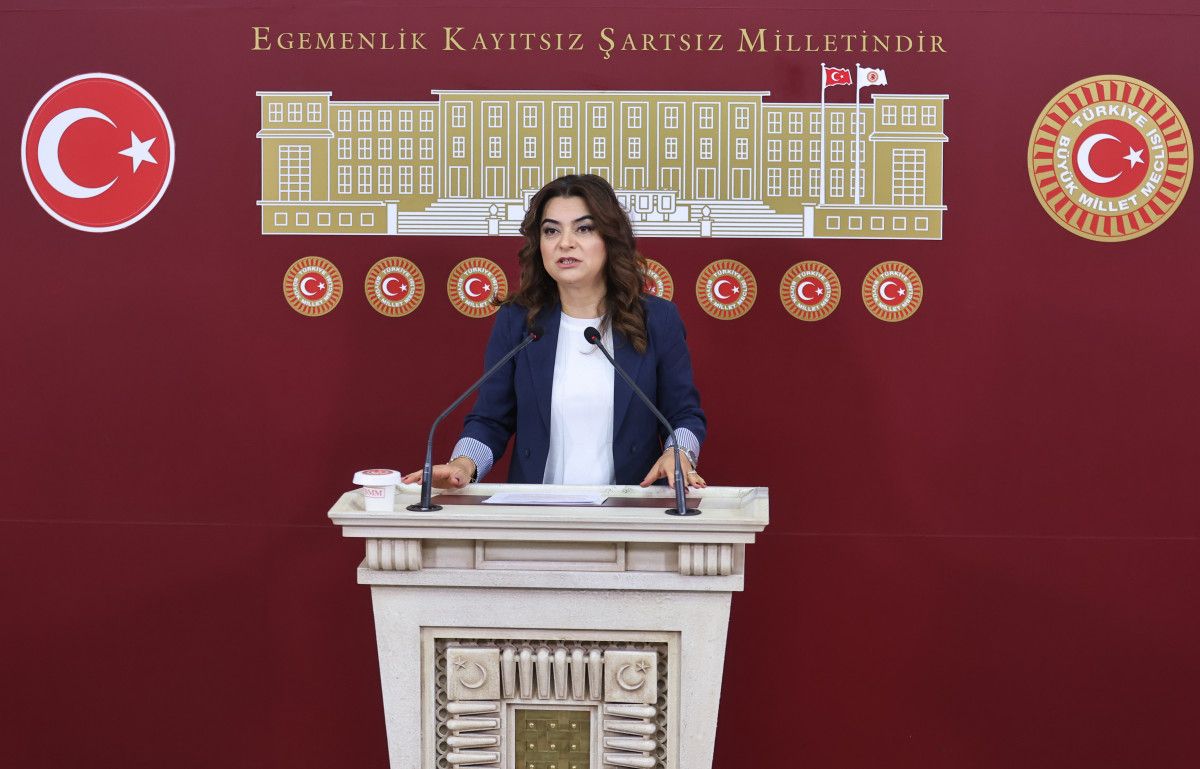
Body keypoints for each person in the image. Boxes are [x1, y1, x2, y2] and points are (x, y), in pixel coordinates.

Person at [402, 175, 705, 490]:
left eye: (583, 229)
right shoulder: (519, 321)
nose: (565, 243)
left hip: (629, 509)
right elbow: (490, 419)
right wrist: (463, 464)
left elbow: (683, 415)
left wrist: (679, 452)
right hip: (538, 511)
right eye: (551, 231)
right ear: (540, 245)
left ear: (610, 238)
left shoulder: (657, 319)